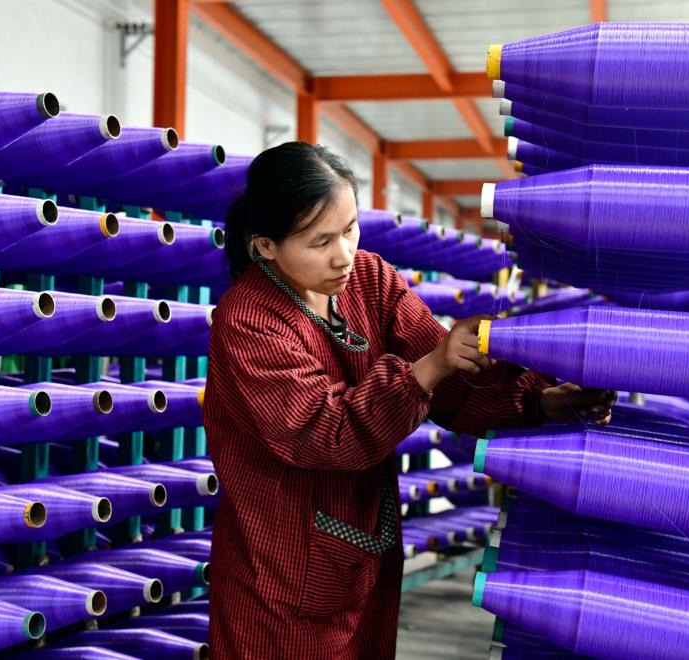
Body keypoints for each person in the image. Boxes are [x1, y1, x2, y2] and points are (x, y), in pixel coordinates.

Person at [203, 141, 615, 659]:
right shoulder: (249, 322)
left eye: (350, 228)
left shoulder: (370, 280)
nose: (343, 255)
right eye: (319, 241)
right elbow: (328, 434)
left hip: (360, 550)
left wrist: (539, 401)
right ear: (265, 246)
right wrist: (431, 366)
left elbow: (448, 379)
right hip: (280, 571)